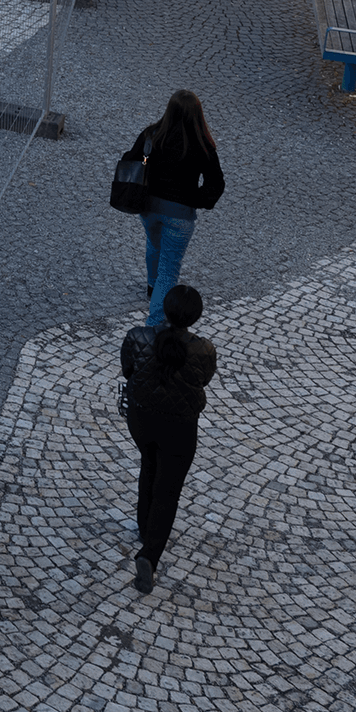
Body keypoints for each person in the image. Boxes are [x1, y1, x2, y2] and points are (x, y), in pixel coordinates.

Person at [121, 284, 218, 594]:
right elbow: (204, 379)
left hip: (142, 418)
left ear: (164, 307)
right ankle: (149, 555)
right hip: (180, 428)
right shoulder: (203, 350)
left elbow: (128, 370)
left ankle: (143, 526)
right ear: (196, 316)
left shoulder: (138, 336)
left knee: (148, 465)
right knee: (168, 491)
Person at [129, 91, 224, 329]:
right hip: (180, 215)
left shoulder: (151, 135)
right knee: (169, 271)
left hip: (149, 208)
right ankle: (155, 324)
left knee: (154, 243)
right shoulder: (202, 144)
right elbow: (216, 184)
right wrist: (194, 199)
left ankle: (152, 287)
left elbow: (131, 160)